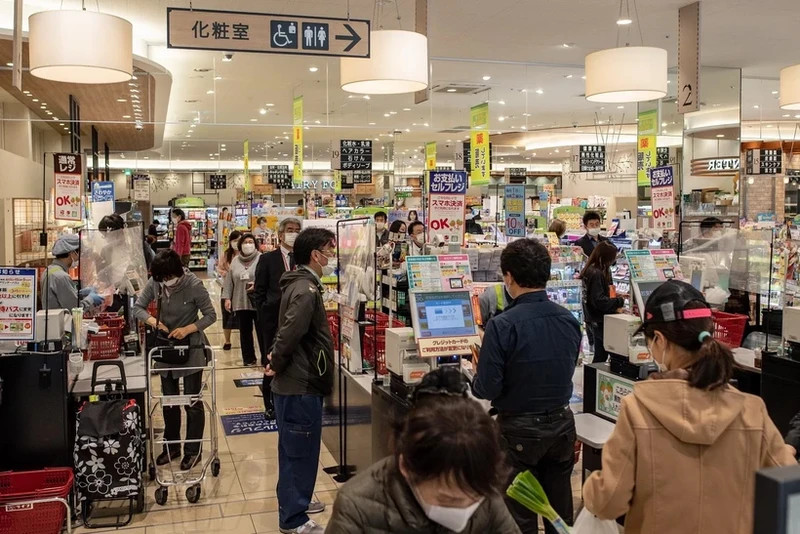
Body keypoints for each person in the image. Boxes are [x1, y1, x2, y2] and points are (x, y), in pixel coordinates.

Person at [582, 280, 796, 534]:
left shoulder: (638, 409)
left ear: (659, 340)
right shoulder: (752, 410)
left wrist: (590, 488)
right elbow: (789, 480)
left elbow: (608, 502)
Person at [472, 238, 582, 534]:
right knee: (560, 515)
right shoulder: (569, 320)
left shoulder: (502, 325)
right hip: (562, 424)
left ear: (508, 277)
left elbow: (487, 389)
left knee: (518, 518)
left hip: (518, 432)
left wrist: (476, 373)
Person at [326, 368, 521, 534]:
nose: (466, 508)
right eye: (448, 499)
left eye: (475, 497)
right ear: (406, 467)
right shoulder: (356, 506)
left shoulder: (478, 482)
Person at [266, 227, 336, 534]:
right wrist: (276, 361)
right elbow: (291, 331)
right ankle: (293, 520)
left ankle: (298, 501)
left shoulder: (304, 284)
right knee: (299, 449)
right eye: (329, 251)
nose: (332, 257)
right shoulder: (305, 290)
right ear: (315, 255)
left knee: (298, 448)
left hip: (299, 381)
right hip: (300, 383)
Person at [133, 250, 216, 471]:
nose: (166, 283)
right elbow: (138, 308)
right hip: (165, 350)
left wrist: (188, 329)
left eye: (168, 278)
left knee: (192, 402)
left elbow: (210, 315)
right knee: (169, 402)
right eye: (161, 279)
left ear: (177, 272)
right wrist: (154, 322)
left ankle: (193, 450)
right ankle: (172, 447)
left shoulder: (194, 284)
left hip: (191, 350)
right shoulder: (156, 282)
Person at [253, 217, 301, 420]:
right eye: (290, 230)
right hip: (272, 319)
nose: (293, 233)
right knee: (270, 361)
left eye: (297, 230)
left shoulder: (304, 258)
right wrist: (265, 310)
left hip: (299, 320)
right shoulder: (267, 259)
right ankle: (270, 404)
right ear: (280, 235)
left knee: (296, 360)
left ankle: (294, 401)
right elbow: (259, 290)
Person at [580, 241, 625, 363]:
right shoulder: (597, 273)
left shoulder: (591, 269)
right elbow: (599, 301)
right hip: (599, 319)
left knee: (600, 354)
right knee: (608, 353)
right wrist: (619, 301)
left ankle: (593, 379)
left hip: (592, 317)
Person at [222, 233, 261, 366]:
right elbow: (229, 281)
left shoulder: (261, 258)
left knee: (262, 331)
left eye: (251, 242)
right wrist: (227, 298)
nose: (248, 245)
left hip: (258, 301)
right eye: (245, 242)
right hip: (240, 300)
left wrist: (257, 284)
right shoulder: (235, 260)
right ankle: (249, 358)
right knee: (245, 332)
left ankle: (266, 356)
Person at [41, 234, 104, 311]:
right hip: (60, 321)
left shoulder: (49, 270)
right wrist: (91, 299)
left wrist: (79, 293)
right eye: (79, 253)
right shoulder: (61, 277)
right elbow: (76, 309)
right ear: (73, 253)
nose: (79, 258)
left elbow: (60, 296)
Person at [217, 230, 242, 351]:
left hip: (242, 289)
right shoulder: (227, 254)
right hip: (227, 288)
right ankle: (227, 340)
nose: (237, 243)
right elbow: (220, 268)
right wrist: (227, 274)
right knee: (227, 314)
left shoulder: (246, 254)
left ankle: (244, 340)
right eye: (234, 240)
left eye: (239, 240)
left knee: (243, 315)